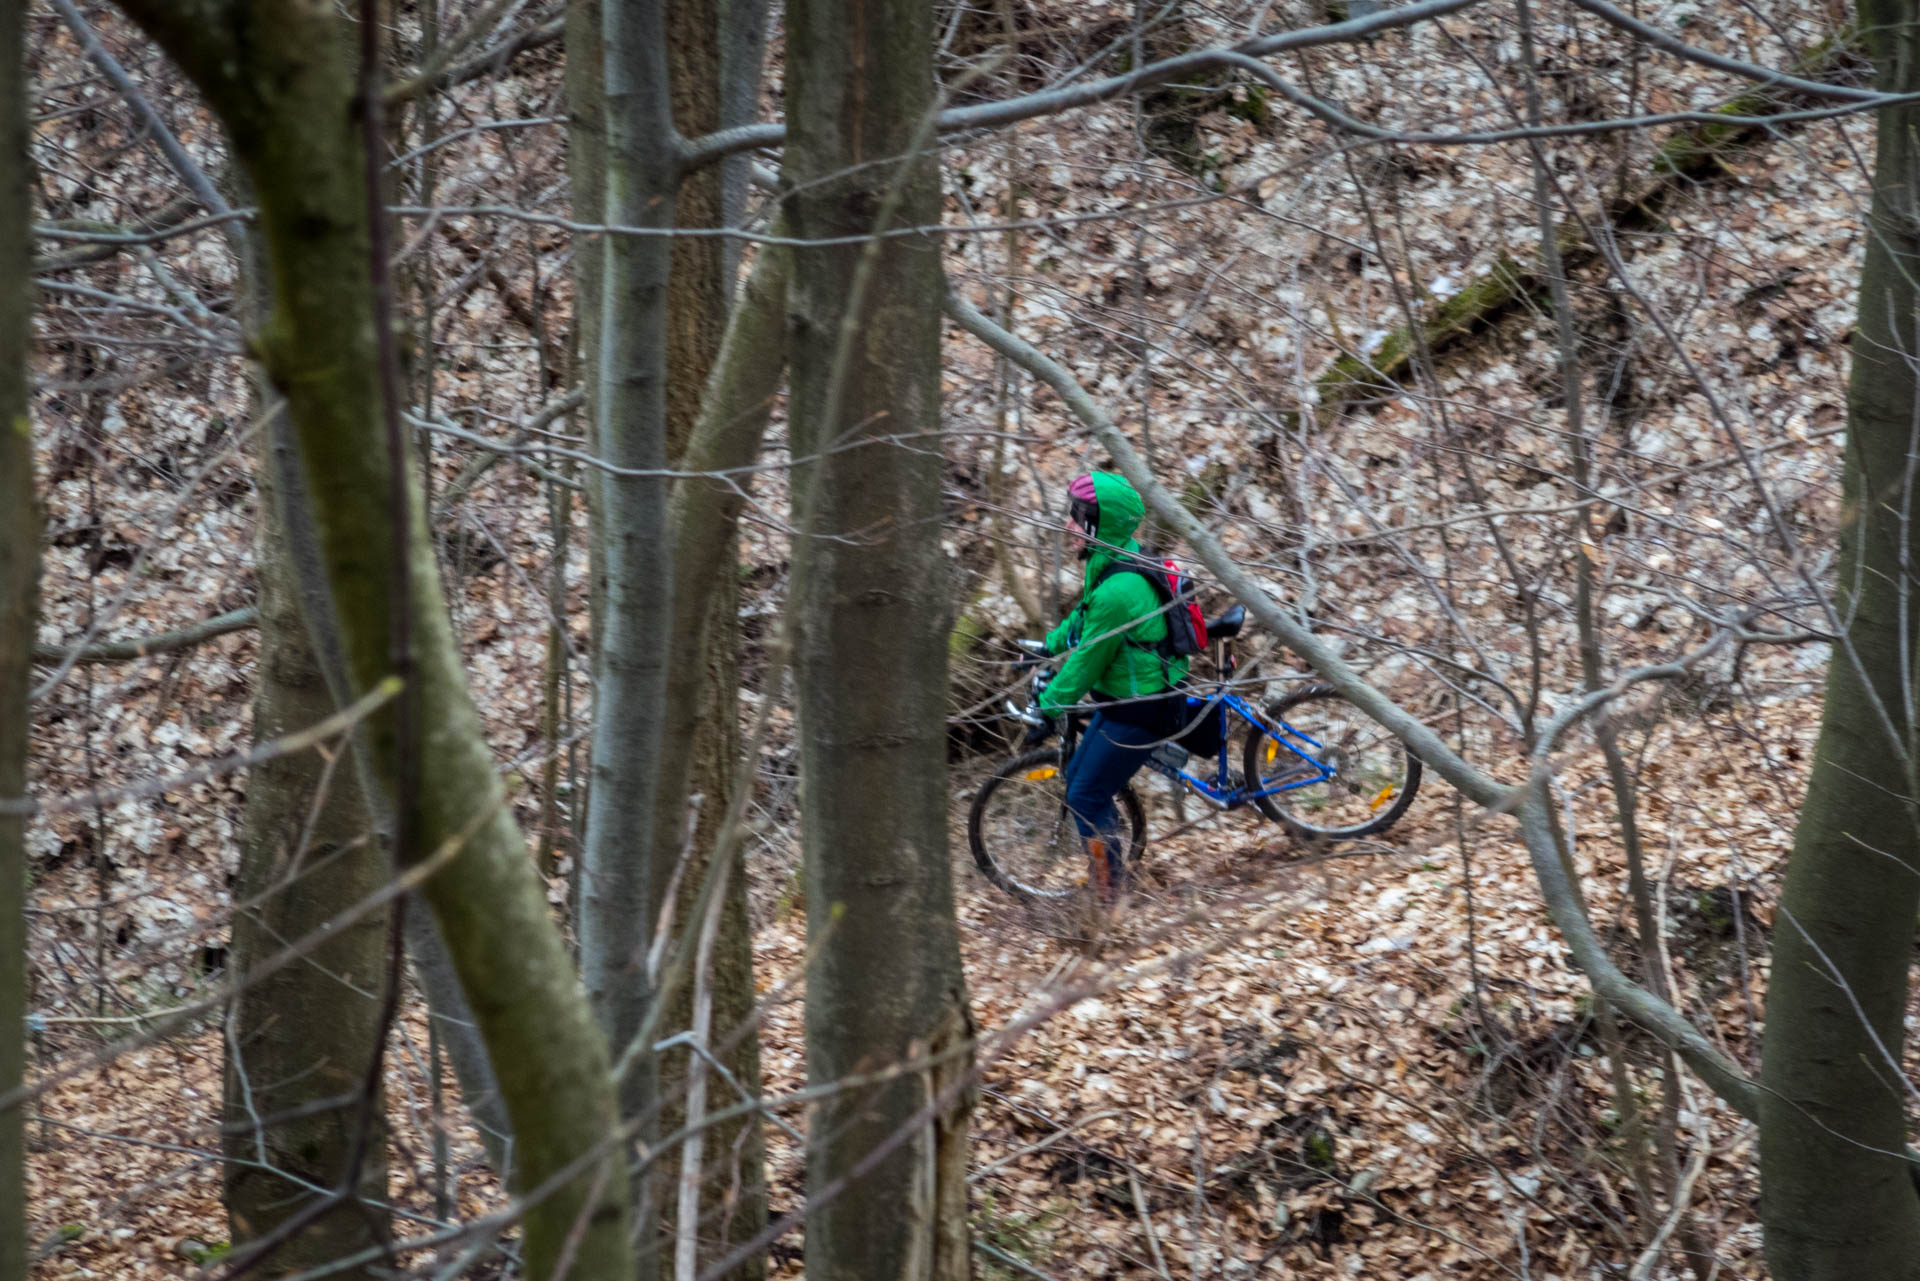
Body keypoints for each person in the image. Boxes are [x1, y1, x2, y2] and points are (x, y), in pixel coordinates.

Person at [1028, 471, 1190, 900]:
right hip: (1121, 701)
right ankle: (1112, 872)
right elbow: (1083, 620)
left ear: (1101, 526)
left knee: (1084, 794)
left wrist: (1049, 706)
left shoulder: (1118, 590)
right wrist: (1047, 646)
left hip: (1141, 710)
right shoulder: (1113, 562)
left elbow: (1088, 660)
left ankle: (1110, 897)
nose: (1068, 526)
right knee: (1081, 779)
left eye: (1078, 518)